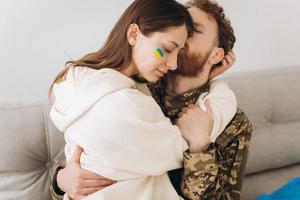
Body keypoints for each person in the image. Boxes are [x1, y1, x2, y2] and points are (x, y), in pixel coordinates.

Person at [49, 0, 238, 199]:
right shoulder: (132, 96)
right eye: (167, 48)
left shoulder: (87, 83)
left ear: (217, 54)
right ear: (133, 34)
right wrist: (61, 180)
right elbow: (86, 163)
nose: (173, 63)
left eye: (192, 33)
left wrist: (202, 148)